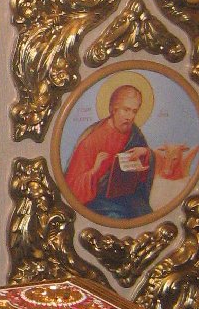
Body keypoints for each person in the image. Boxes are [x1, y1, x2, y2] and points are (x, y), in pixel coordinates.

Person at [64, 83, 154, 220]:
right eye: (126, 110)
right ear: (113, 109)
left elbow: (143, 174)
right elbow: (72, 188)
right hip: (100, 201)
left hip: (129, 196)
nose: (130, 116)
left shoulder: (134, 133)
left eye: (134, 111)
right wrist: (94, 171)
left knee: (145, 214)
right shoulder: (93, 140)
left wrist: (145, 153)